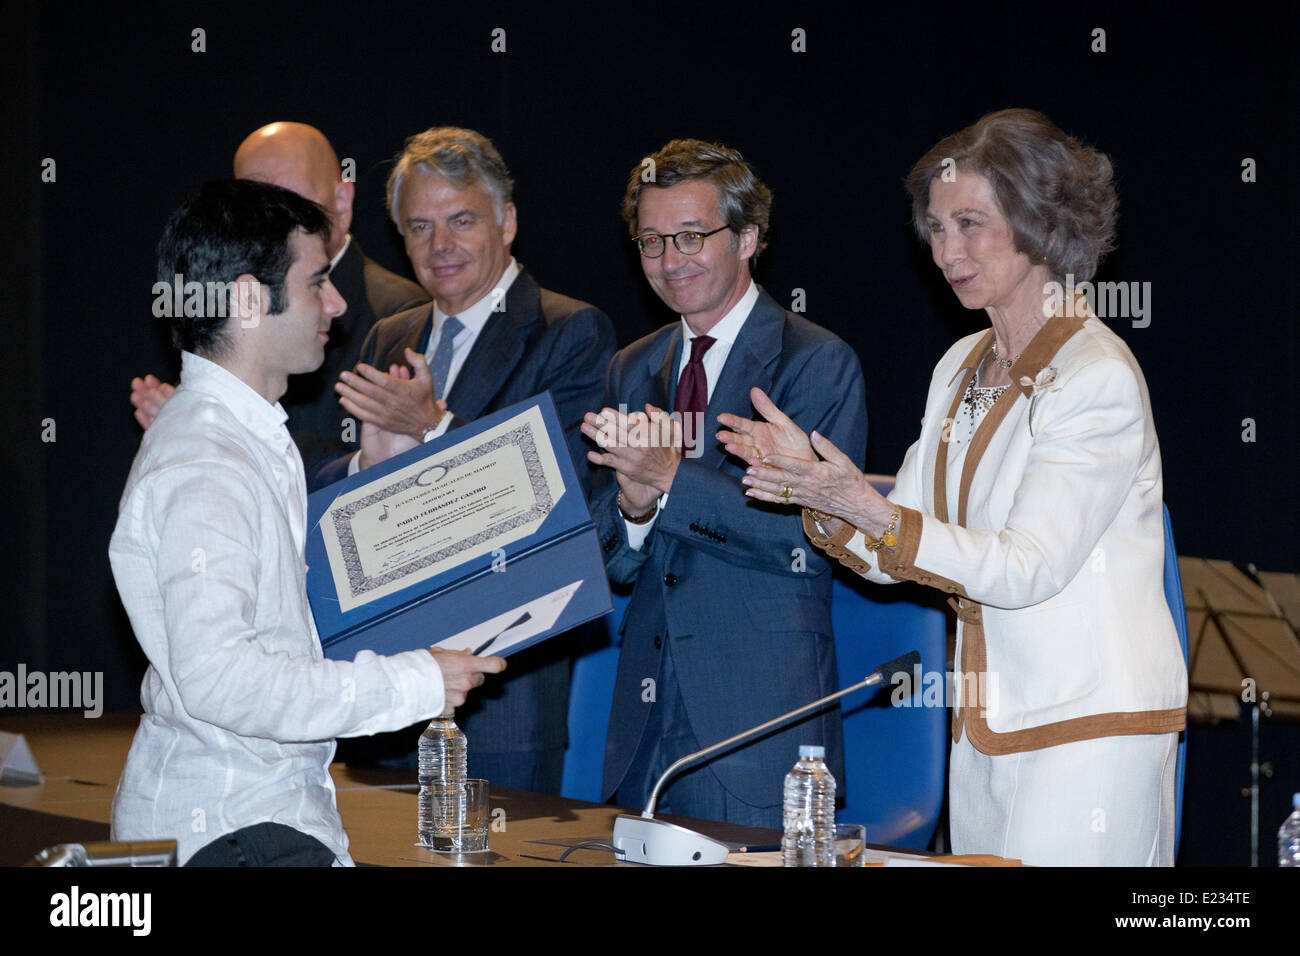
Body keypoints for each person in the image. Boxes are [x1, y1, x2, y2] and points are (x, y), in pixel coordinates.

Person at [720, 109, 1187, 865]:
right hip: (986, 729)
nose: (946, 251)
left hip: (1090, 734)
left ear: (1040, 223)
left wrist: (870, 510)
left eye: (971, 223)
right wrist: (816, 489)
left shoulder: (1094, 375)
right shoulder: (962, 366)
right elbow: (894, 545)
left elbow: (1024, 566)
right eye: (936, 228)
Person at [109, 179, 504, 866]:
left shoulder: (240, 438)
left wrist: (376, 483)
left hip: (257, 822)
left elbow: (282, 626)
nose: (339, 302)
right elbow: (222, 678)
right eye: (318, 280)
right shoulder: (207, 459)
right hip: (238, 834)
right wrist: (417, 682)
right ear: (248, 298)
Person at [320, 126, 617, 793]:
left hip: (503, 684)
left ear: (507, 222)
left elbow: (557, 497)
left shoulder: (570, 331)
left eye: (461, 221)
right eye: (419, 227)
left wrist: (434, 428)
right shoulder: (389, 336)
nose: (440, 246)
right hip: (387, 675)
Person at [581, 139, 867, 828]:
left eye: (690, 236)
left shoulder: (816, 363)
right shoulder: (633, 367)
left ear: (748, 238)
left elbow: (811, 536)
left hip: (759, 722)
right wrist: (635, 506)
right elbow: (612, 562)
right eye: (651, 240)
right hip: (644, 726)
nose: (669, 259)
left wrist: (672, 479)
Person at [129, 122, 429, 486]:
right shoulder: (225, 297)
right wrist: (201, 422)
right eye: (255, 201)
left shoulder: (401, 313)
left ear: (342, 202)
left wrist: (218, 430)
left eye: (292, 201)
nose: (272, 219)